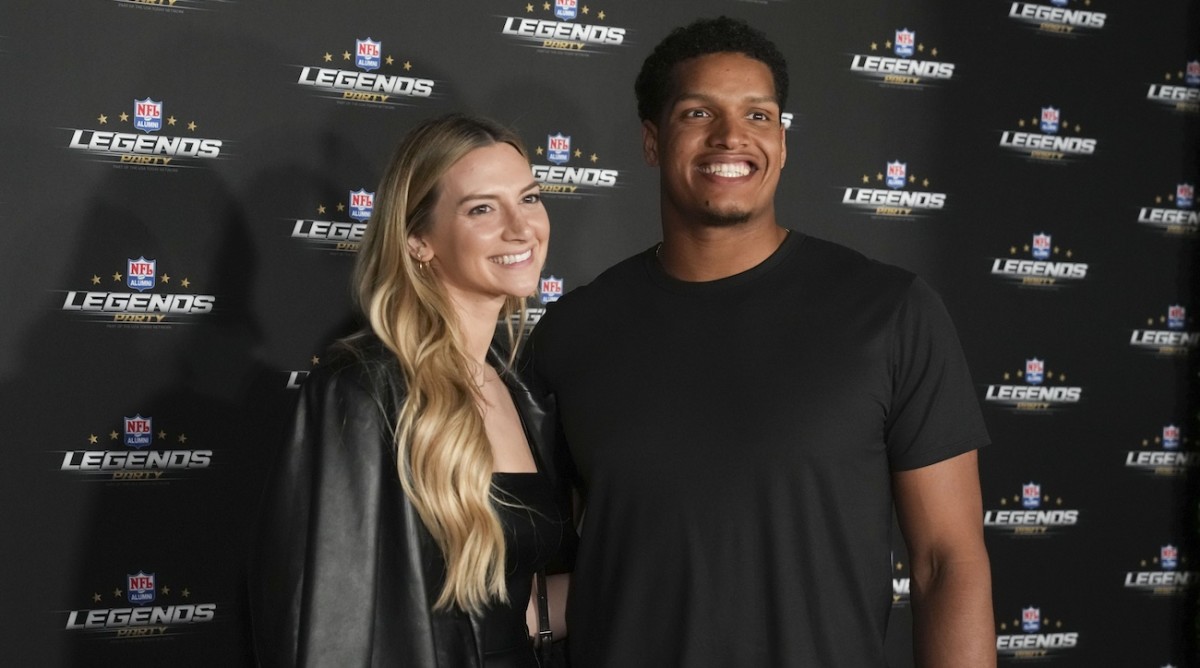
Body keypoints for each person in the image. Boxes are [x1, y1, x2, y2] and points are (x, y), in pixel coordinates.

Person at [524, 17, 995, 667]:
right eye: (698, 112)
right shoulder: (572, 331)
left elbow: (947, 562)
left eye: (759, 115)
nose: (732, 137)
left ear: (783, 140)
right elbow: (536, 569)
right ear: (652, 140)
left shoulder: (890, 312)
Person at [249, 114, 574, 667]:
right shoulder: (361, 388)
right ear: (419, 240)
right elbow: (332, 622)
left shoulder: (524, 387)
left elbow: (513, 607)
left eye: (530, 198)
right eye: (482, 209)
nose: (521, 228)